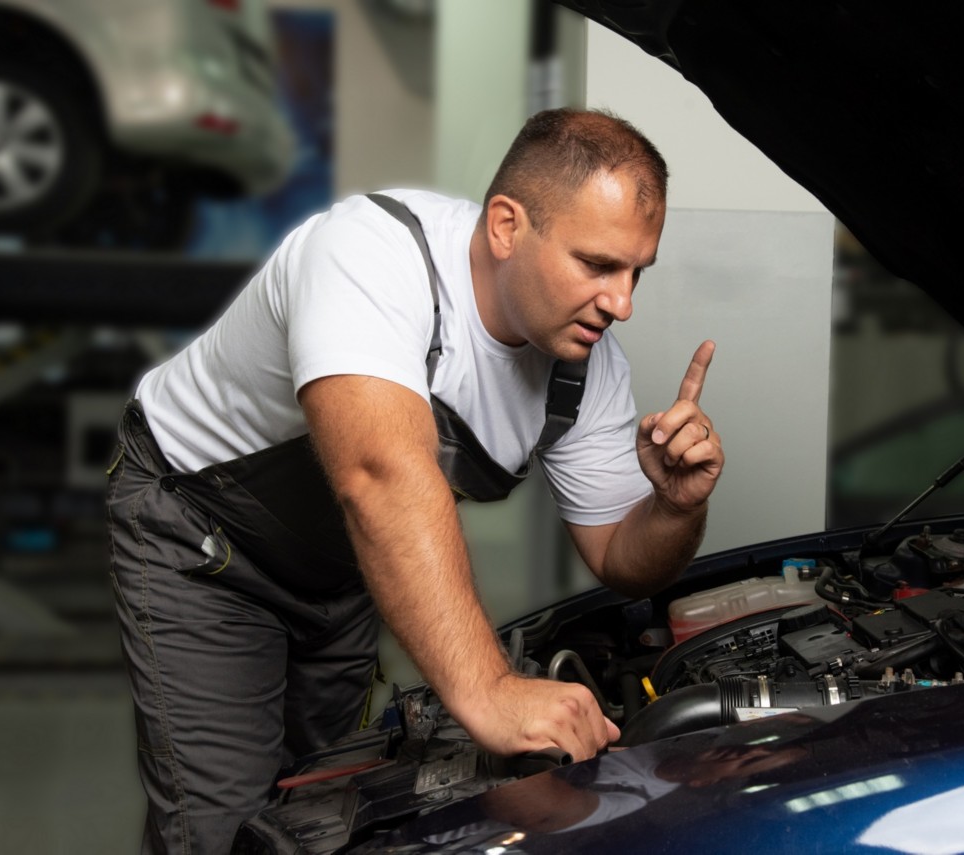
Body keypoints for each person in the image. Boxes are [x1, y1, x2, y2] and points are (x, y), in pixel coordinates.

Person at [105, 107, 724, 854]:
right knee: (220, 831)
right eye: (597, 265)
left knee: (319, 816)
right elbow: (381, 478)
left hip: (342, 576)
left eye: (635, 272)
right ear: (507, 225)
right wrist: (489, 690)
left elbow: (623, 560)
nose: (622, 303)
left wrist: (674, 507)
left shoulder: (586, 368)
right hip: (203, 544)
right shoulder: (370, 255)